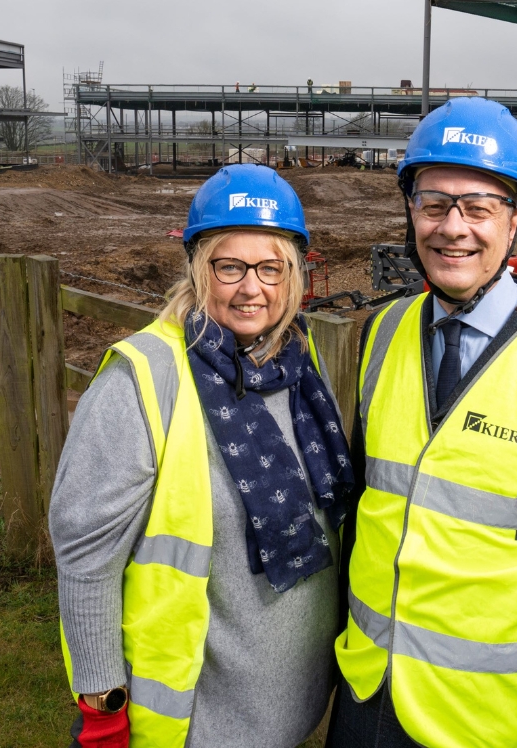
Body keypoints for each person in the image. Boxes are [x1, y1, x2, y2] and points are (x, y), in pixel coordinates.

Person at [328, 97, 517, 748]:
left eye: (478, 206)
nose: (453, 228)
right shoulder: (381, 334)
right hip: (365, 701)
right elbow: (369, 512)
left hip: (482, 725)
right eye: (434, 202)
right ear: (410, 210)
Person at [51, 164, 356, 748]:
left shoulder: (296, 364)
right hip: (197, 721)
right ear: (198, 269)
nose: (252, 288)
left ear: (294, 275)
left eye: (271, 267)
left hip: (293, 713)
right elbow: (85, 553)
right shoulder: (146, 378)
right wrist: (102, 708)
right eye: (230, 266)